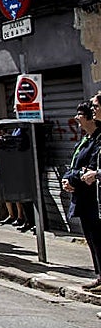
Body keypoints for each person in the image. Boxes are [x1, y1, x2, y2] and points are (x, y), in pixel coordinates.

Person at [62, 102, 101, 290]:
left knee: (98, 237)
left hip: (94, 198)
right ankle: (99, 275)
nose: (76, 118)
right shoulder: (85, 139)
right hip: (82, 197)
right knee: (91, 238)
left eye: (80, 114)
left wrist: (75, 177)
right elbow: (74, 166)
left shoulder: (98, 140)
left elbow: (91, 169)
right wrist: (68, 179)